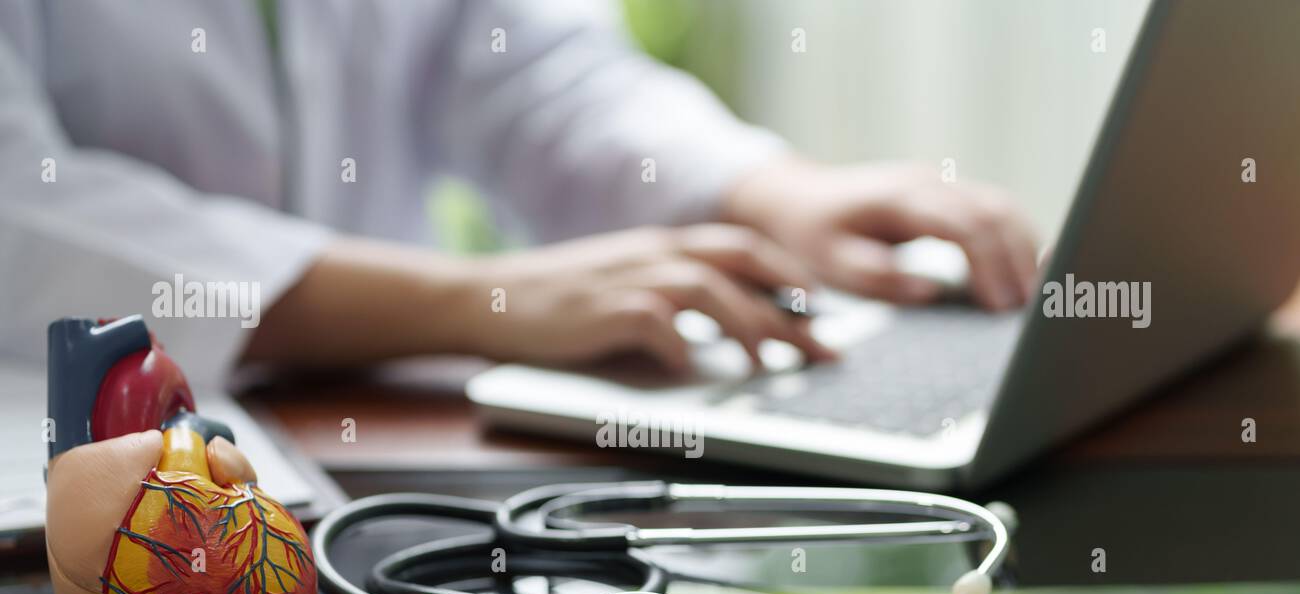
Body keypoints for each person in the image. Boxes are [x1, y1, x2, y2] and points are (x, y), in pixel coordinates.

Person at [0, 0, 1038, 390]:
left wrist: (767, 192)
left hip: (370, 473)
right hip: (66, 501)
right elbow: (23, 210)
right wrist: (479, 300)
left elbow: (534, 69)